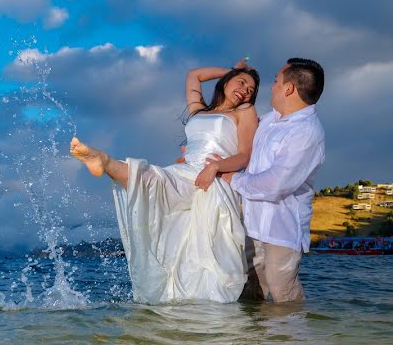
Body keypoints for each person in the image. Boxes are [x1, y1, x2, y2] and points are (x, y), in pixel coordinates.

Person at [69, 59, 259, 303]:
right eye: (241, 83)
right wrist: (235, 71)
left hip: (213, 178)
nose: (245, 90)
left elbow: (245, 155)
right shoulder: (198, 111)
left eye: (251, 90)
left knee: (203, 258)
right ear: (226, 80)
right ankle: (104, 162)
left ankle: (105, 162)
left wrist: (216, 166)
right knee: (155, 182)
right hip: (186, 170)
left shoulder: (243, 112)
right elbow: (194, 75)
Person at [214, 58, 325, 303]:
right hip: (252, 226)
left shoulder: (306, 132)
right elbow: (236, 133)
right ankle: (258, 343)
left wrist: (233, 178)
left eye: (276, 81)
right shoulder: (270, 121)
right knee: (248, 295)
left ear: (289, 89)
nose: (272, 87)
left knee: (283, 297)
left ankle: (295, 342)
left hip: (280, 231)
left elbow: (275, 184)